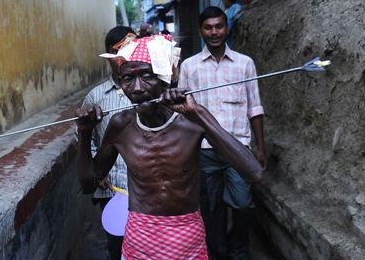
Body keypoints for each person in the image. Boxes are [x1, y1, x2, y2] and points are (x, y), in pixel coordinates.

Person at [76, 34, 264, 260]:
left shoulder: (191, 120)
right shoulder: (121, 125)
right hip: (139, 238)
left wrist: (199, 115)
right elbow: (88, 184)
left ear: (165, 79)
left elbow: (254, 172)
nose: (136, 88)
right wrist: (85, 133)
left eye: (147, 76)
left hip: (187, 236)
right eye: (128, 79)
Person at [178, 6, 266, 260]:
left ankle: (238, 248)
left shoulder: (245, 63)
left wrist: (260, 148)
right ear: (201, 30)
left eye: (219, 26)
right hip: (204, 151)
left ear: (227, 28)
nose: (214, 32)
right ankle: (218, 253)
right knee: (211, 208)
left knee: (242, 204)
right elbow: (183, 113)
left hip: (238, 148)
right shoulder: (189, 67)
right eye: (209, 27)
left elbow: (255, 107)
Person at [80, 25, 134, 260]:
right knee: (117, 246)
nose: (123, 57)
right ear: (109, 56)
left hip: (146, 186)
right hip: (111, 187)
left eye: (130, 50)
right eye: (117, 52)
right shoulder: (96, 96)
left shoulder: (149, 90)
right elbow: (85, 138)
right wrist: (95, 168)